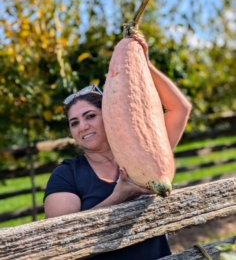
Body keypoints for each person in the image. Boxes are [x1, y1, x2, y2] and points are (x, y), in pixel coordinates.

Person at [44, 34, 192, 259]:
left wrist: (143, 62)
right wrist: (118, 196)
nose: (82, 126)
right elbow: (60, 239)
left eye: (90, 116)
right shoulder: (66, 175)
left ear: (111, 114)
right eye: (74, 123)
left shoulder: (144, 150)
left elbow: (180, 109)